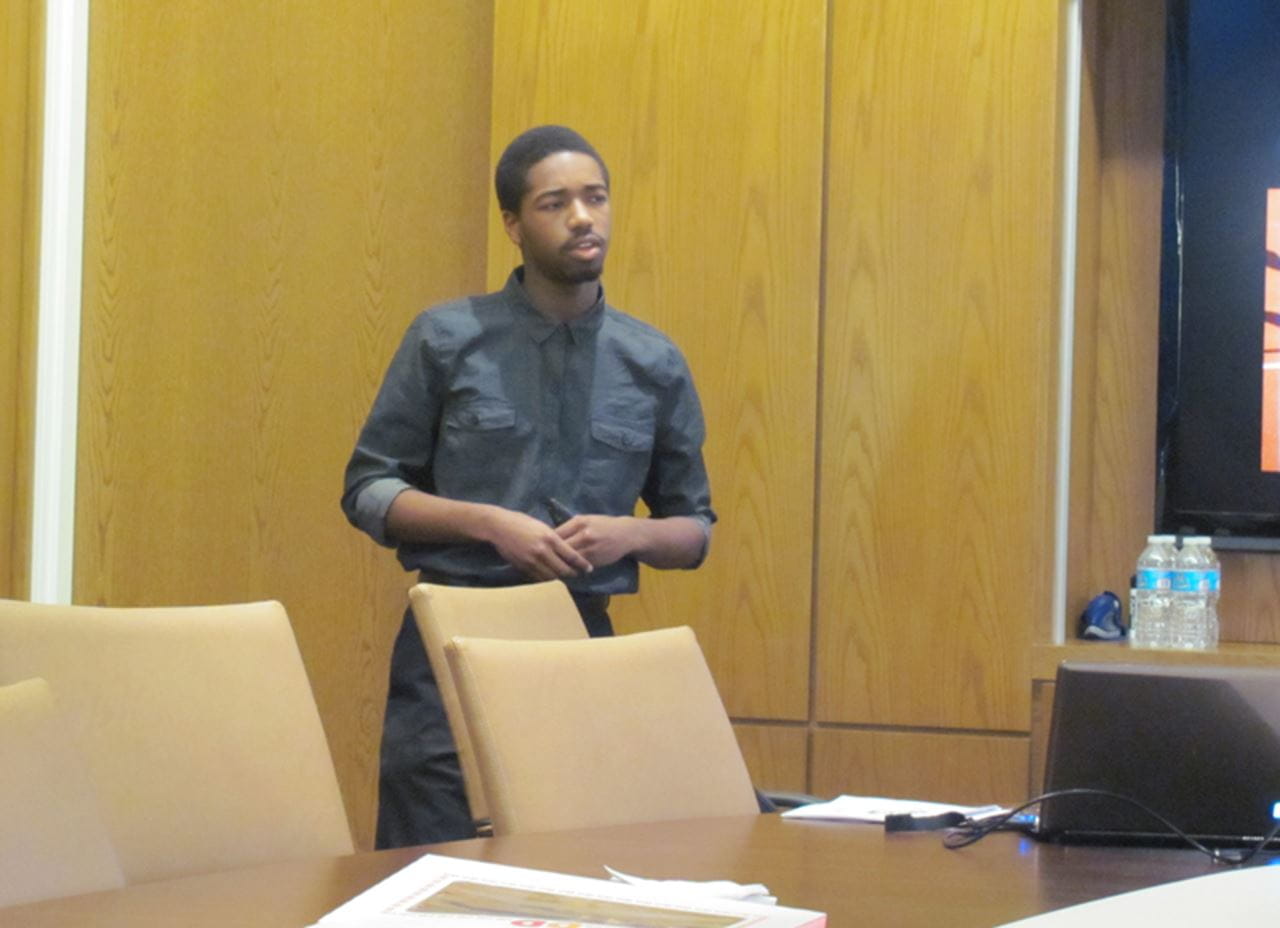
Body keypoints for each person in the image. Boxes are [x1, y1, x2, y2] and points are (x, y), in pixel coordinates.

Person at [341, 125, 716, 847]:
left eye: (595, 198)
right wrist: (487, 522)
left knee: (571, 858)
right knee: (429, 855)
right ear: (513, 224)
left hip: (580, 640)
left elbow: (693, 529)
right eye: (555, 203)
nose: (583, 217)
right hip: (450, 636)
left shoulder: (652, 361)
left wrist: (629, 533)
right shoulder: (446, 339)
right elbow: (368, 490)